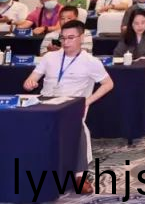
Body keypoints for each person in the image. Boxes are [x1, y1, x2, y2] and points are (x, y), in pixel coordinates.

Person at [23, 19, 113, 192]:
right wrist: (30, 83)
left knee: (77, 127)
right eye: (63, 38)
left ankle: (79, 176)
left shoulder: (91, 61)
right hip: (45, 102)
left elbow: (108, 84)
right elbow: (31, 79)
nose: (66, 42)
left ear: (81, 38)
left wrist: (87, 101)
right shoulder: (50, 57)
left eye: (71, 38)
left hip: (72, 104)